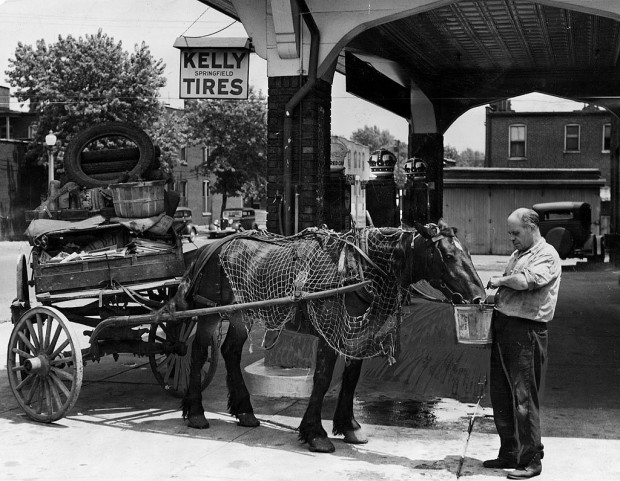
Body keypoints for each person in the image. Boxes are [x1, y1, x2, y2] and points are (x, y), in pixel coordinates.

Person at [484, 208, 561, 479]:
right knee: (502, 394)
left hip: (526, 331)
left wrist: (500, 281)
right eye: (510, 234)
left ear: (531, 227)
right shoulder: (519, 255)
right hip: (505, 327)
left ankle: (531, 460)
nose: (512, 239)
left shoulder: (546, 255)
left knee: (524, 398)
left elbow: (526, 282)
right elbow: (510, 294)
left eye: (516, 233)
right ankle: (509, 451)